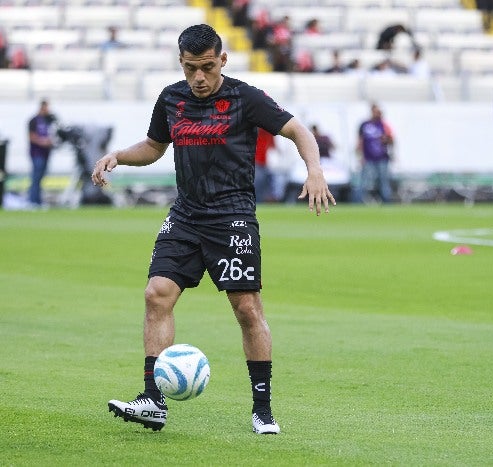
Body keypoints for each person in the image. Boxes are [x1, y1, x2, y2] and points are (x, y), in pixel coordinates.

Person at [92, 24, 335, 434]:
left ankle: (263, 409)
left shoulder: (245, 97)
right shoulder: (171, 98)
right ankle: (152, 399)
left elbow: (298, 130)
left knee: (246, 309)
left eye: (206, 67)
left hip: (232, 216)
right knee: (157, 294)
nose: (199, 78)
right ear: (181, 64)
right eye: (190, 69)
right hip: (186, 214)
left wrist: (314, 170)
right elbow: (154, 146)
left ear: (223, 60)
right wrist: (118, 155)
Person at [356, 102, 394, 203]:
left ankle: (386, 201)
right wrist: (360, 156)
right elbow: (360, 141)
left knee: (383, 181)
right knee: (364, 181)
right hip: (368, 158)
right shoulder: (364, 125)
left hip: (382, 158)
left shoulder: (384, 125)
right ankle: (359, 201)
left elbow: (391, 140)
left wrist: (385, 139)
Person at [27, 99, 57, 208]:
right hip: (37, 153)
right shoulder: (33, 120)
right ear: (42, 107)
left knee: (41, 178)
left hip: (46, 154)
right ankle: (32, 201)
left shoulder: (48, 121)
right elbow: (31, 136)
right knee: (36, 177)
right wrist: (44, 142)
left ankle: (38, 201)